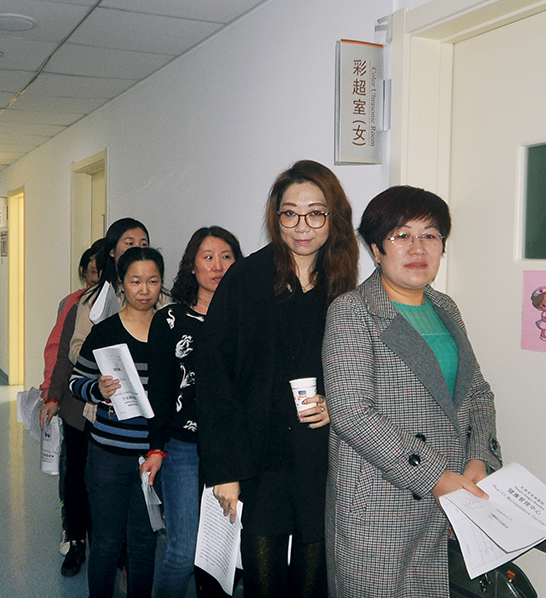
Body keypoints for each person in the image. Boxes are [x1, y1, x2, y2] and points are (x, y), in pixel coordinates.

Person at [322, 186, 503, 597]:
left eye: (430, 235)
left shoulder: (446, 308)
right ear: (376, 249)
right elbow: (351, 413)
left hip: (451, 495)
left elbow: (476, 393)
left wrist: (479, 457)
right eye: (401, 235)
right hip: (381, 505)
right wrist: (435, 476)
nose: (418, 248)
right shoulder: (352, 311)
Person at [197, 160, 359, 598]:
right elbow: (214, 378)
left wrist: (335, 404)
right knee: (264, 584)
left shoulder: (342, 284)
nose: (302, 226)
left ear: (333, 217)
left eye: (316, 213)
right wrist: (225, 471)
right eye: (290, 214)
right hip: (258, 459)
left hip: (318, 459)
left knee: (313, 583)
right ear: (276, 217)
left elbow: (357, 369)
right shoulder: (247, 278)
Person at [142, 226, 243, 598]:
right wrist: (156, 447)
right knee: (183, 551)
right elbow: (160, 390)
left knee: (224, 553)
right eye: (208, 257)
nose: (217, 265)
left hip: (233, 449)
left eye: (226, 257)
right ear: (192, 265)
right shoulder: (169, 319)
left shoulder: (246, 319)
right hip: (183, 447)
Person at [69, 247, 166, 598]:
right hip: (108, 454)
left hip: (152, 456)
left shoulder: (170, 331)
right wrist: (97, 390)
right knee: (107, 541)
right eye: (136, 281)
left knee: (143, 541)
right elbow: (76, 382)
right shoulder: (105, 331)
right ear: (121, 284)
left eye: (152, 281)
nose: (144, 289)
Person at [39, 242, 102, 577]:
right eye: (91, 264)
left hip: (113, 411)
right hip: (77, 404)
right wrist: (52, 393)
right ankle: (74, 534)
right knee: (74, 471)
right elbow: (59, 350)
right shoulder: (75, 303)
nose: (95, 269)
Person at [69, 218, 170, 365]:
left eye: (143, 244)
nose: (137, 249)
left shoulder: (163, 298)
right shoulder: (93, 298)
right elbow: (76, 349)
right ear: (112, 251)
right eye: (130, 243)